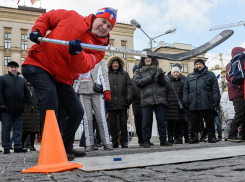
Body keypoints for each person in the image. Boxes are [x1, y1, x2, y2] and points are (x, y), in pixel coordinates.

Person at [21, 7, 117, 161]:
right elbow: (48, 17)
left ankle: (65, 146)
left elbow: (84, 66)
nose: (104, 27)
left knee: (77, 110)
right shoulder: (71, 16)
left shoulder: (99, 50)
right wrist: (38, 30)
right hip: (38, 64)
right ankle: (50, 146)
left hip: (62, 77)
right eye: (103, 21)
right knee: (49, 94)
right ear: (95, 17)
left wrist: (77, 54)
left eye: (109, 26)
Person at [134, 49, 172, 148]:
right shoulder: (139, 70)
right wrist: (150, 78)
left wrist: (161, 78)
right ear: (143, 59)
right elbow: (138, 83)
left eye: (149, 57)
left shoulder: (158, 69)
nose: (148, 59)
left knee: (161, 121)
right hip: (146, 99)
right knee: (146, 121)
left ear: (153, 58)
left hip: (159, 99)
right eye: (146, 57)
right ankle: (146, 141)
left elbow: (165, 84)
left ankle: (163, 140)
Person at [73, 59, 113, 151]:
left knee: (101, 118)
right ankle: (89, 144)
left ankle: (106, 142)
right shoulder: (80, 58)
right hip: (83, 92)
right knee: (87, 119)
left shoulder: (100, 60)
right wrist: (75, 91)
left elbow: (104, 75)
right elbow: (77, 76)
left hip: (97, 92)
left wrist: (106, 90)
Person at [183, 59, 220, 144]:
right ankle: (194, 137)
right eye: (196, 64)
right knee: (194, 121)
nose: (198, 65)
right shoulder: (190, 76)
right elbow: (185, 90)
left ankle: (211, 137)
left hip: (207, 101)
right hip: (193, 102)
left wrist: (216, 99)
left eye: (200, 64)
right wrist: (185, 101)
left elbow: (215, 89)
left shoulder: (210, 75)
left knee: (209, 120)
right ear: (194, 66)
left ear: (203, 65)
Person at [0, 61, 34, 154]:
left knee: (18, 129)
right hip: (6, 109)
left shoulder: (22, 80)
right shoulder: (2, 78)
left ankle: (18, 146)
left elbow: (27, 93)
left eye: (15, 67)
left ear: (18, 69)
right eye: (12, 67)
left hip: (19, 108)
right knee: (6, 129)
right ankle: (6, 147)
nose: (14, 69)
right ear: (8, 68)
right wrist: (1, 104)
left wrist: (31, 104)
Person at [106, 56, 134, 148]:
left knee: (123, 123)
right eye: (113, 63)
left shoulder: (125, 74)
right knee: (112, 124)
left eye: (117, 63)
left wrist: (129, 98)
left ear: (119, 64)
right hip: (111, 102)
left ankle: (124, 141)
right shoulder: (107, 74)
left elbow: (129, 86)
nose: (115, 64)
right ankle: (114, 141)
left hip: (122, 102)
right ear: (111, 64)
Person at [226, 47, 245, 142]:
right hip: (236, 92)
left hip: (242, 91)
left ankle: (243, 135)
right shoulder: (231, 64)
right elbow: (229, 77)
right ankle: (232, 134)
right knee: (240, 112)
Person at [163, 67, 186, 144]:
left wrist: (183, 102)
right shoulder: (168, 82)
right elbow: (165, 94)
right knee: (170, 123)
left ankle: (179, 138)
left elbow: (184, 94)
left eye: (177, 72)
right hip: (170, 106)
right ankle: (170, 137)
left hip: (179, 106)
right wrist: (166, 103)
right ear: (172, 73)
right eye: (174, 72)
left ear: (179, 73)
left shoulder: (182, 83)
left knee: (180, 123)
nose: (175, 74)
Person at [22, 82, 40, 151]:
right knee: (26, 129)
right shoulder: (25, 87)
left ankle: (31, 145)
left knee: (34, 130)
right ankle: (21, 144)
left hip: (35, 111)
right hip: (27, 110)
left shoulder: (35, 87)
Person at [131, 65, 143, 146]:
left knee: (146, 123)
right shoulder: (131, 80)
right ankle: (140, 140)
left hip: (145, 104)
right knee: (138, 124)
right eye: (136, 71)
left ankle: (146, 139)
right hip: (136, 105)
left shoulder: (143, 79)